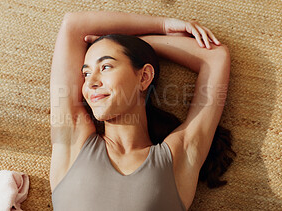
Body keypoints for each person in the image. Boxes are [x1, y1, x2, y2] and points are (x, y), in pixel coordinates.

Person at [49, 11, 235, 211]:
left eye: (105, 66)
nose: (91, 82)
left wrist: (139, 44)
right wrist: (164, 25)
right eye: (85, 73)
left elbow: (215, 57)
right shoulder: (73, 141)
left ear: (144, 77)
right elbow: (73, 24)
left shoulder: (178, 158)